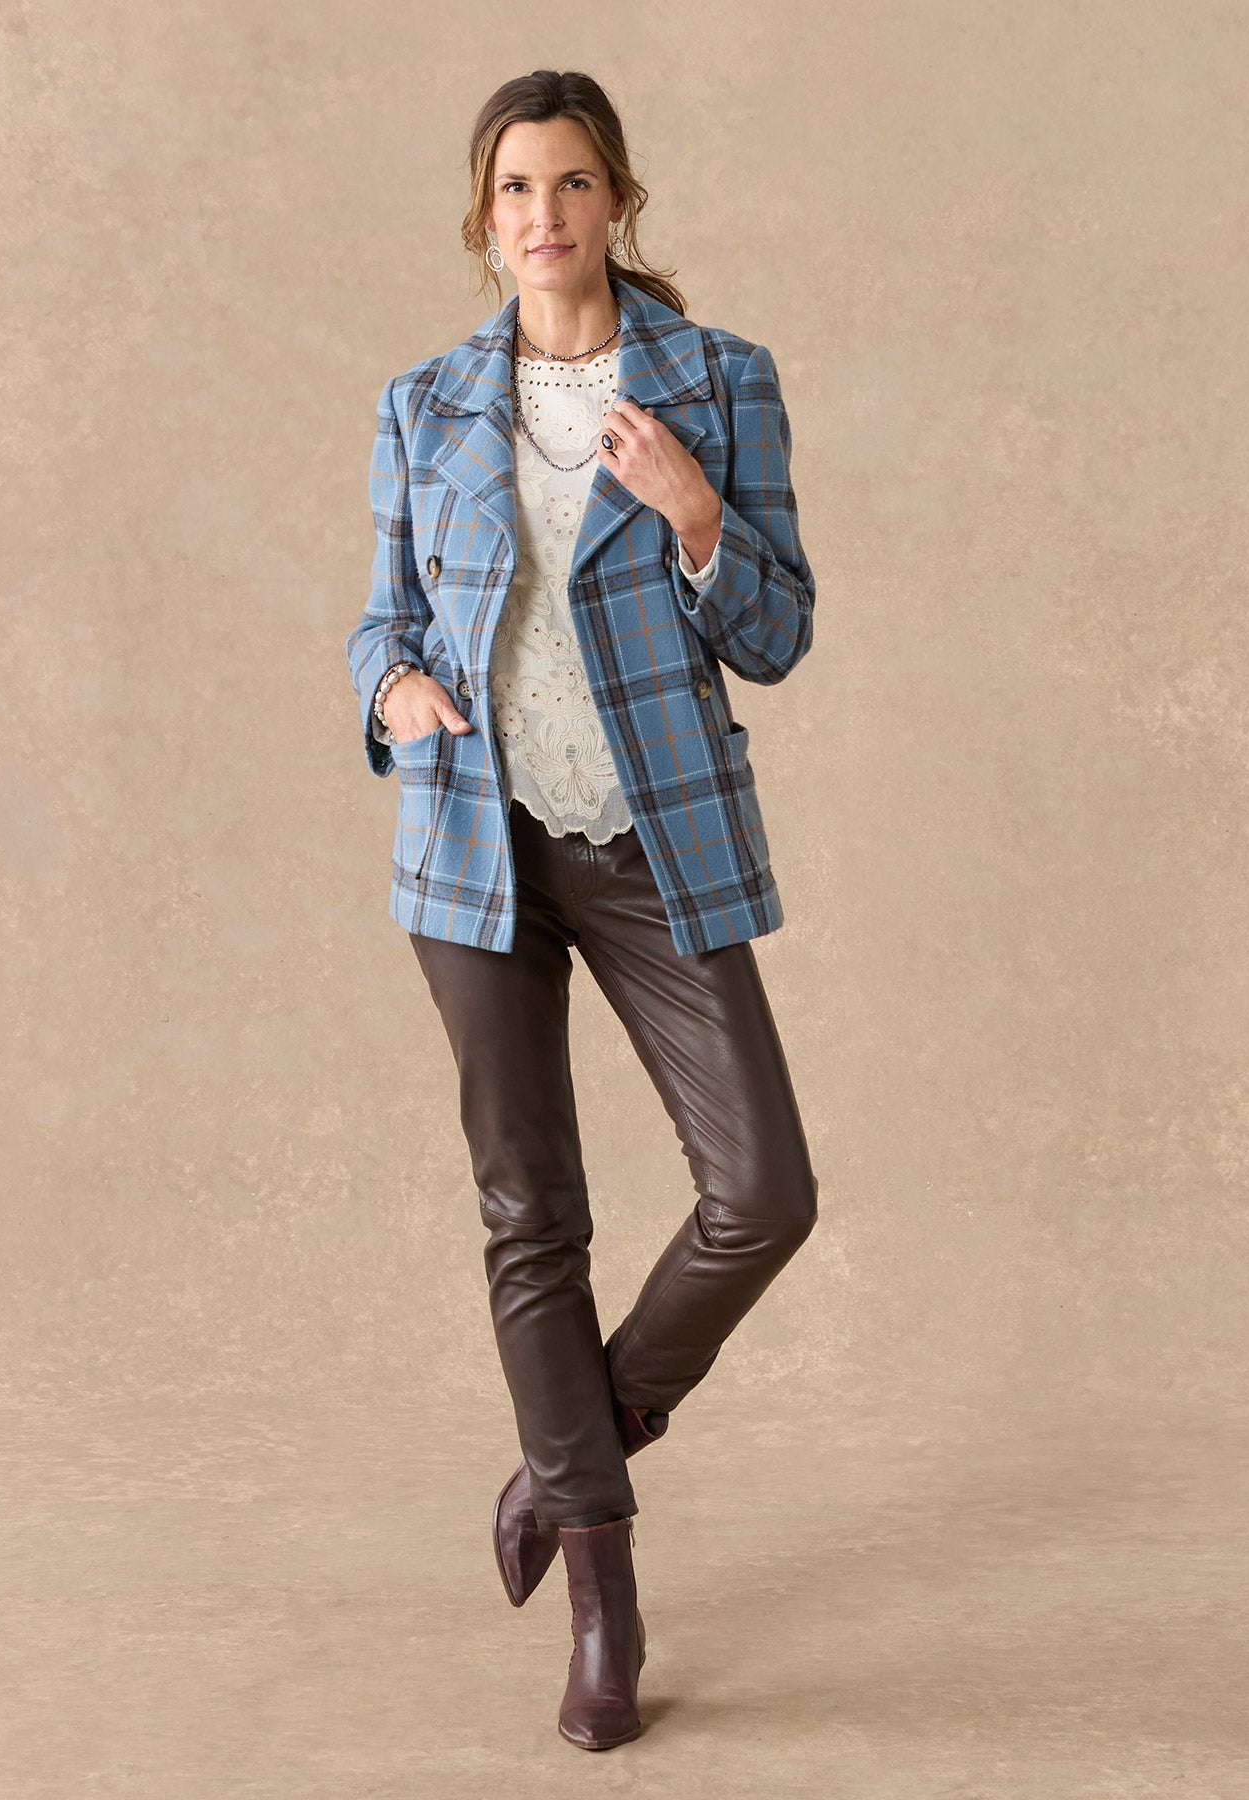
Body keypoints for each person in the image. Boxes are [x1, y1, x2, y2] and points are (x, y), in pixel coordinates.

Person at [344, 68, 819, 1751]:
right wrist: (392, 689)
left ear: (617, 199)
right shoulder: (423, 403)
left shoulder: (719, 380)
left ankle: (568, 1459)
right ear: (483, 219)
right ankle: (606, 1610)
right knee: (529, 1216)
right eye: (513, 189)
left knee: (762, 1193)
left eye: (569, 183)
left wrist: (695, 516)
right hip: (473, 847)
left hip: (653, 842)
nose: (541, 215)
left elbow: (776, 632)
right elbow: (382, 621)